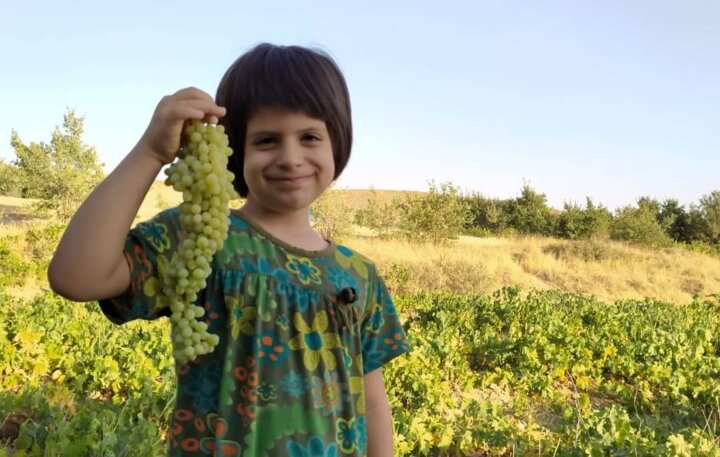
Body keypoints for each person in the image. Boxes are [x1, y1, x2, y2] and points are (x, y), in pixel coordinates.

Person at [48, 43, 410, 456]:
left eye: (309, 136)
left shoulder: (359, 275)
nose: (291, 158)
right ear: (233, 150)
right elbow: (76, 276)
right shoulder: (204, 238)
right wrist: (150, 152)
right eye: (267, 140)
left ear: (337, 143)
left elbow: (373, 398)